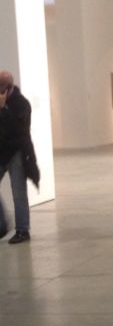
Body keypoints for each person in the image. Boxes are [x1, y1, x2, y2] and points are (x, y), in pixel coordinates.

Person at [0, 70, 39, 244]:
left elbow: (17, 130)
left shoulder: (22, 103)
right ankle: (1, 225)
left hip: (16, 153)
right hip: (2, 152)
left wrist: (3, 109)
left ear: (8, 87)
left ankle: (23, 230)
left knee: (18, 193)